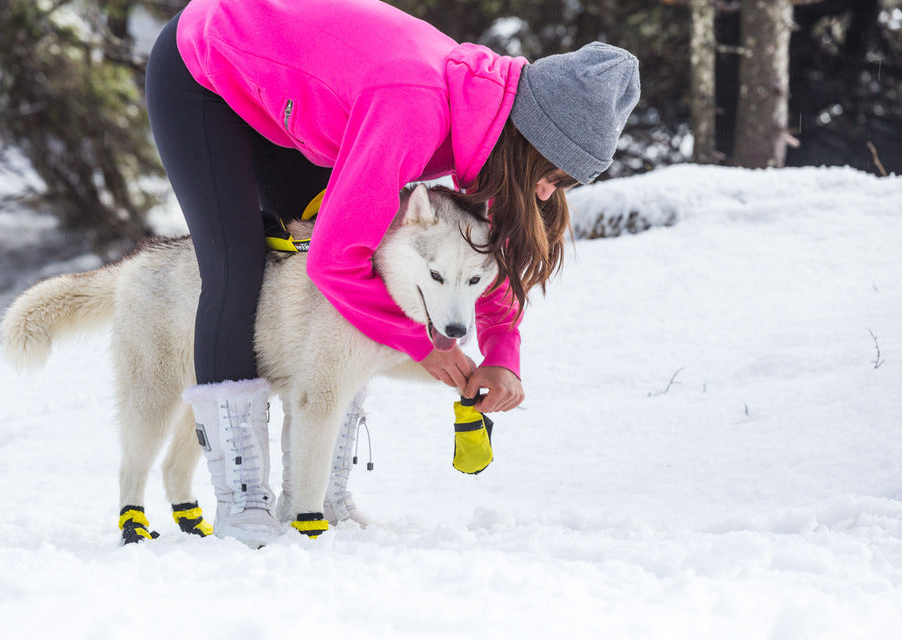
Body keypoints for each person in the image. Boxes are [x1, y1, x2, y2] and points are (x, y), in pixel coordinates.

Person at [145, 0, 640, 546]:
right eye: (553, 176)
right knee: (238, 267)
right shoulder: (414, 109)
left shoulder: (491, 121)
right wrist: (419, 345)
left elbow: (482, 253)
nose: (547, 193)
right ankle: (241, 503)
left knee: (339, 274)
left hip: (288, 91)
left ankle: (318, 496)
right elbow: (334, 259)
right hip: (206, 65)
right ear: (531, 144)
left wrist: (503, 354)